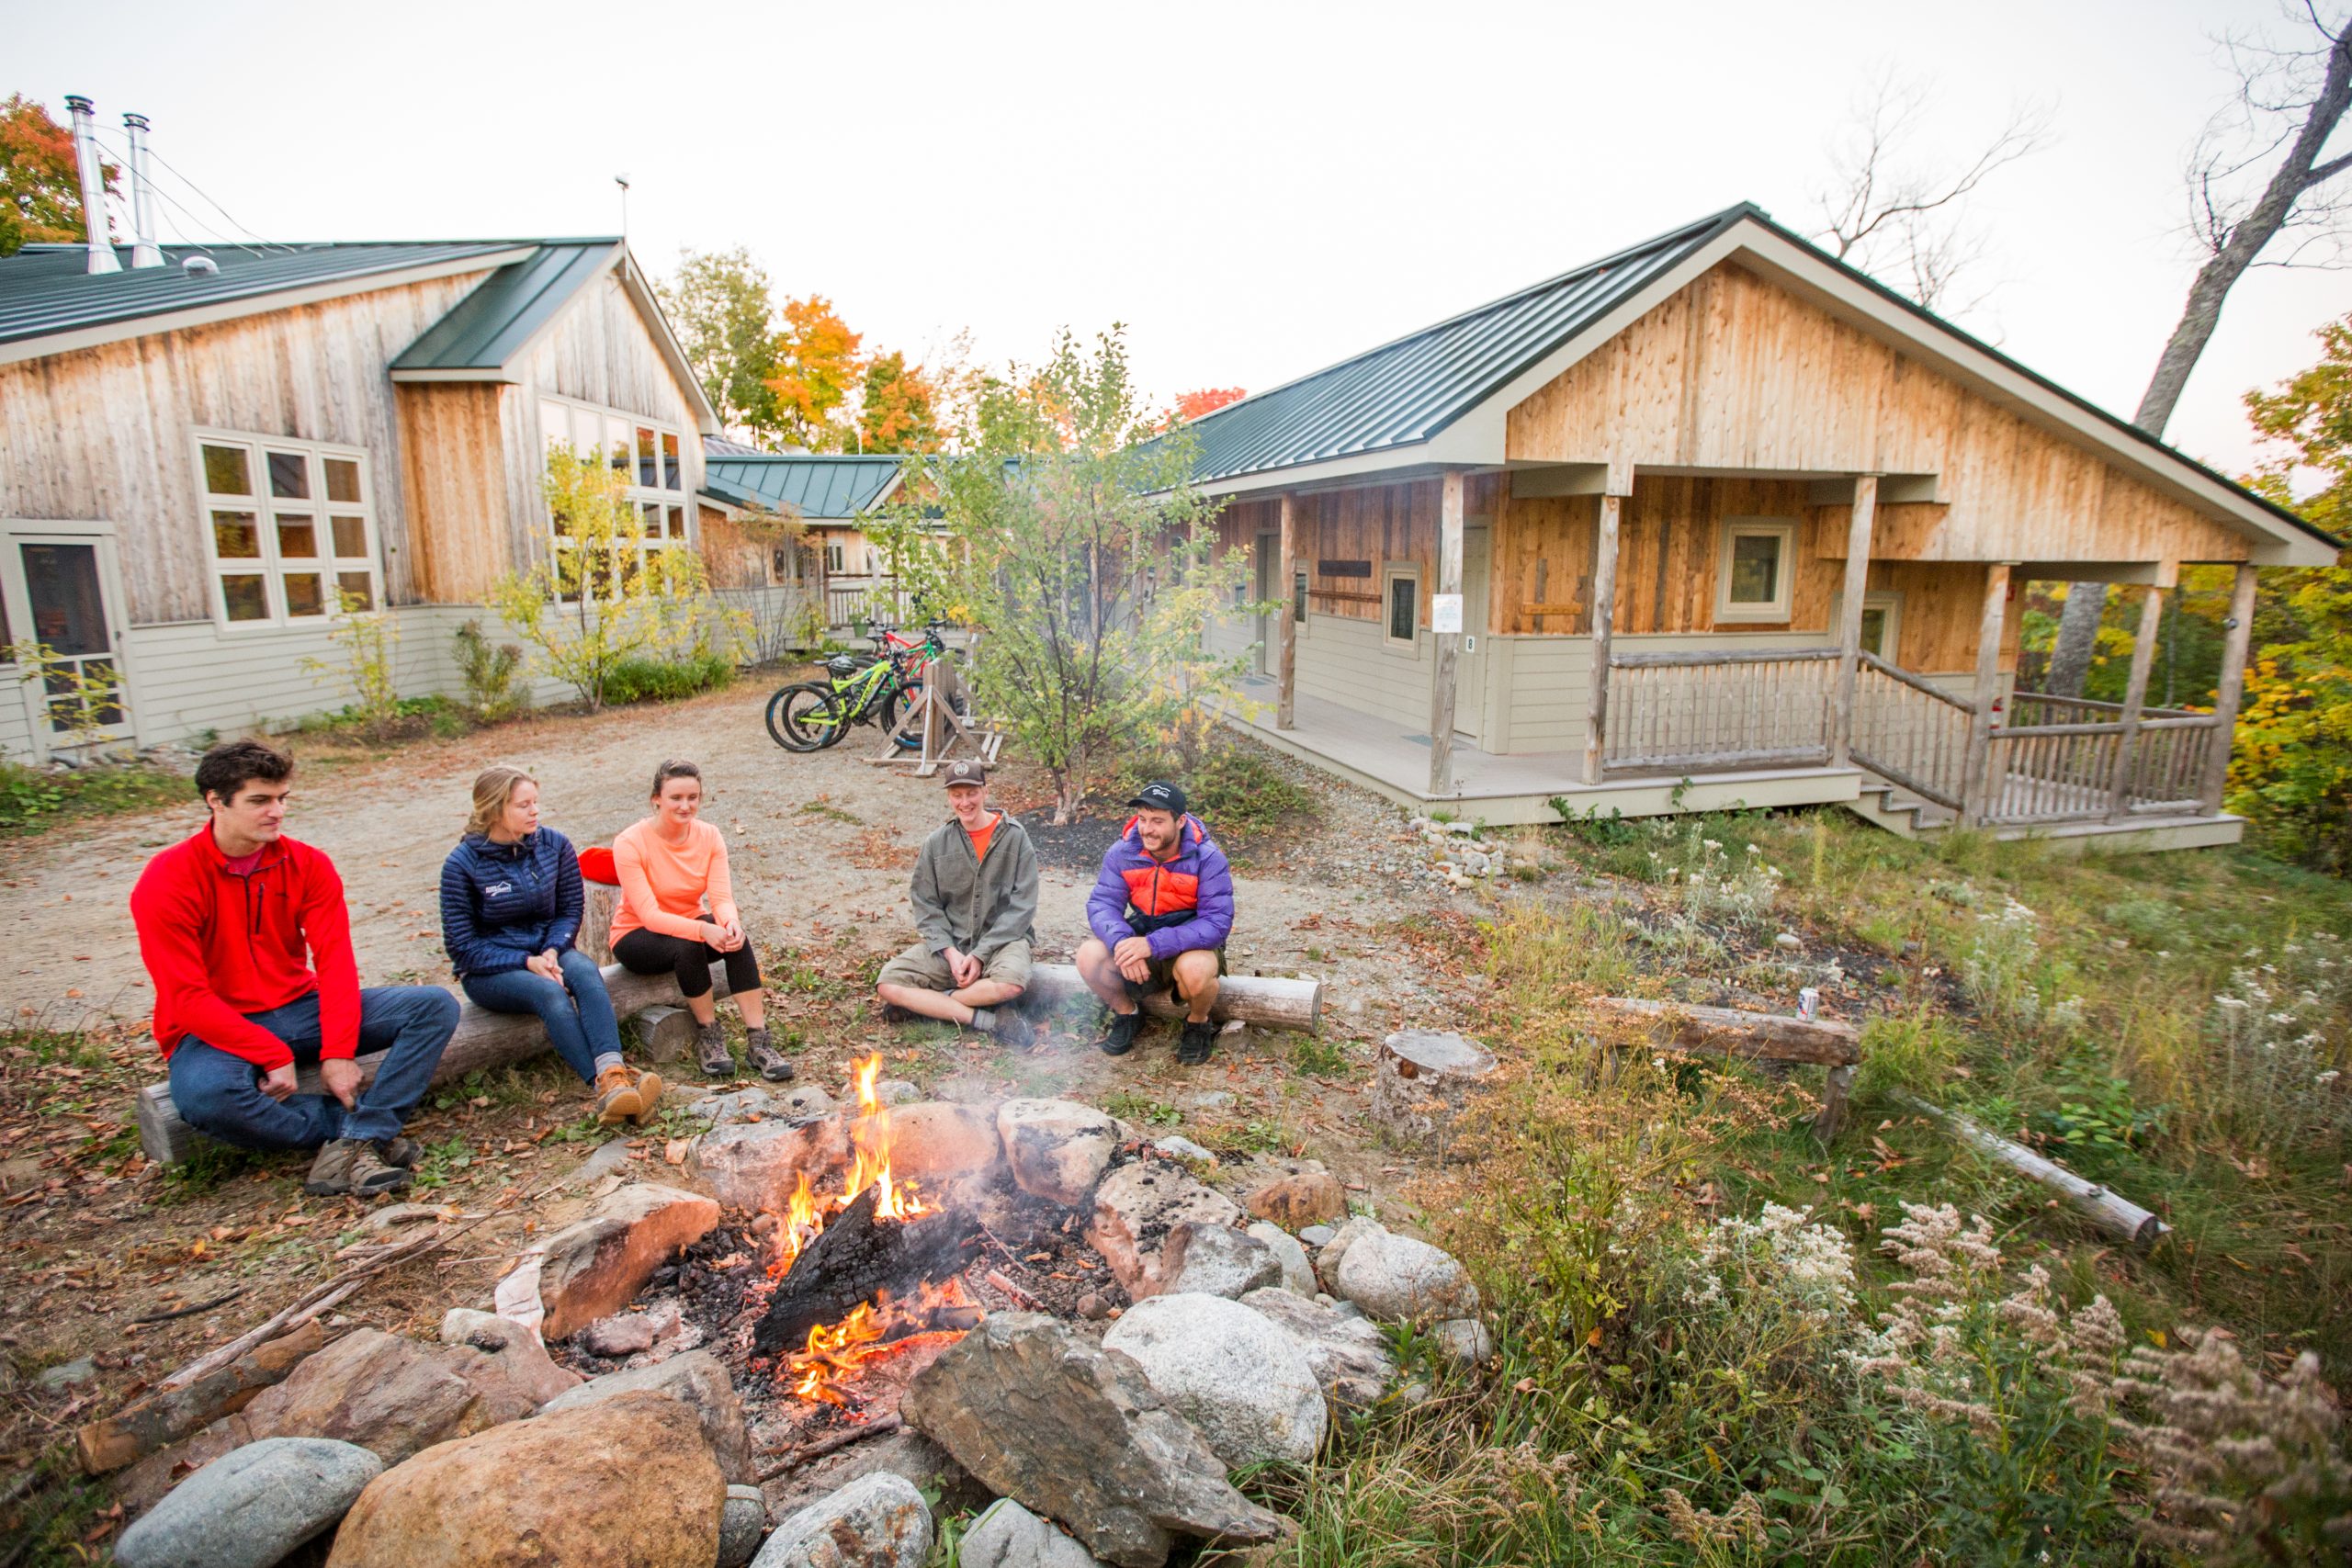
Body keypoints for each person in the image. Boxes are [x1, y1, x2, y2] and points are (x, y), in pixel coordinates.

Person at [130, 739, 458, 1197]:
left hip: (298, 1007)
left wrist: (339, 1050)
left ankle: (357, 1140)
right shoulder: (167, 879)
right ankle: (359, 1131)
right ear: (215, 801)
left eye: (282, 798)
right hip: (213, 1028)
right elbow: (186, 997)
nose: (277, 811)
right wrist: (270, 1052)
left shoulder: (307, 864)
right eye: (260, 800)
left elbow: (336, 963)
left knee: (433, 1006)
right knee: (207, 1098)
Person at [440, 767, 662, 1126]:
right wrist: (526, 962)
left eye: (535, 803)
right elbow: (462, 947)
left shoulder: (554, 844)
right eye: (523, 805)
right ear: (495, 810)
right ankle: (603, 1088)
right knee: (550, 994)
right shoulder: (461, 865)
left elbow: (570, 909)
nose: (534, 812)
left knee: (587, 973)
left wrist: (552, 951)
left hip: (549, 951)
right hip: (491, 969)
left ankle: (614, 1074)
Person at [609, 759, 787, 1081]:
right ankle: (709, 1035)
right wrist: (703, 929)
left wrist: (729, 922)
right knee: (689, 943)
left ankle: (758, 1040)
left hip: (688, 922)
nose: (685, 805)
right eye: (676, 798)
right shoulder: (630, 842)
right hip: (636, 935)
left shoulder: (709, 836)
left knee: (737, 938)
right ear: (656, 800)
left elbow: (720, 898)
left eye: (693, 797)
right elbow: (649, 915)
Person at [875, 760, 1039, 1034]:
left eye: (972, 793)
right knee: (888, 982)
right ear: (949, 797)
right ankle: (985, 1020)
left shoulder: (1015, 837)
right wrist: (951, 953)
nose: (965, 802)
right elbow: (926, 904)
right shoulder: (937, 842)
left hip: (1002, 942)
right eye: (956, 795)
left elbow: (1022, 907)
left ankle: (931, 1005)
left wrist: (979, 955)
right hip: (952, 943)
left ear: (985, 792)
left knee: (1011, 984)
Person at [1077, 781, 1234, 1066]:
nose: (1147, 829)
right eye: (1143, 819)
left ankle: (1198, 1022)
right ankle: (1127, 1013)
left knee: (1196, 972)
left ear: (1180, 821)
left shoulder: (1208, 858)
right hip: (1142, 932)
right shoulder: (1122, 853)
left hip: (1191, 942)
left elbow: (1217, 923)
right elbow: (1102, 905)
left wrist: (1151, 945)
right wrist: (1123, 942)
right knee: (1089, 956)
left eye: (1158, 821)